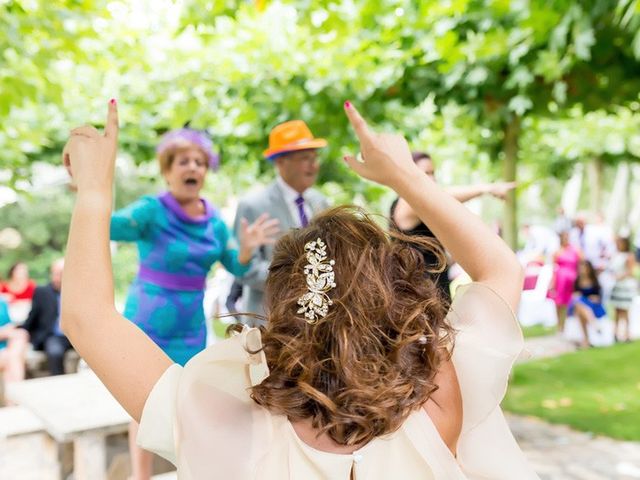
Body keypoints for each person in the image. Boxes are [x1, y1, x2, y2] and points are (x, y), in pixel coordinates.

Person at [61, 100, 538, 479]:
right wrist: (405, 175)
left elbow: (87, 317)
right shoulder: (439, 395)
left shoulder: (227, 419)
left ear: (283, 302)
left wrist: (94, 191)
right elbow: (499, 269)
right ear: (389, 293)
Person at [107, 127, 278, 479]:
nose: (193, 168)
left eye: (200, 163)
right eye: (184, 161)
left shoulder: (214, 223)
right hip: (147, 323)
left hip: (189, 327)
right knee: (142, 403)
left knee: (185, 401)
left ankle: (185, 470)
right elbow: (111, 226)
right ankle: (140, 476)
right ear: (168, 171)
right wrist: (91, 192)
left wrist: (246, 248)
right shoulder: (151, 211)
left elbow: (236, 266)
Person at [233, 120, 329, 322]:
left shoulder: (321, 203)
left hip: (314, 320)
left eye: (315, 157)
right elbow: (244, 269)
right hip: (269, 319)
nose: (314, 165)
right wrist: (294, 278)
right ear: (280, 162)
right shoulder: (254, 206)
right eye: (305, 158)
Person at [390, 151, 516, 301]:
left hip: (436, 290)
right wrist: (486, 189)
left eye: (433, 173)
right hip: (416, 297)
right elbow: (441, 196)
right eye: (425, 173)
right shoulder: (406, 204)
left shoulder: (425, 209)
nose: (431, 178)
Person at [19, 259, 71, 375]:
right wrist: (22, 329)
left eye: (61, 274)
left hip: (76, 335)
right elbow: (33, 316)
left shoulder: (77, 291)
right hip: (54, 336)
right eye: (55, 273)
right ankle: (60, 384)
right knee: (55, 352)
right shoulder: (42, 292)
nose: (57, 278)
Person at [548, 231, 582, 334]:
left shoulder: (576, 250)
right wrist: (552, 283)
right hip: (560, 280)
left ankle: (569, 326)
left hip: (572, 280)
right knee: (558, 303)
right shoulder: (557, 252)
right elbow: (553, 268)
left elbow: (581, 264)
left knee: (570, 303)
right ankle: (560, 326)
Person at [569, 260, 607, 349]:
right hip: (581, 305)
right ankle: (594, 326)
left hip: (592, 305)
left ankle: (586, 340)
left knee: (580, 308)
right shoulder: (577, 280)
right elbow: (575, 294)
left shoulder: (594, 280)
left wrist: (594, 297)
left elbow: (599, 296)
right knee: (579, 303)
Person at [609, 235, 637, 342]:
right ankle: (615, 333)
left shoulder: (629, 255)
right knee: (616, 310)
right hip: (616, 285)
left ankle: (627, 334)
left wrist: (621, 276)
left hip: (625, 286)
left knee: (625, 310)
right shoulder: (616, 255)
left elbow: (631, 271)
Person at [0, 297, 29, 389]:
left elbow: (9, 325)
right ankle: (17, 391)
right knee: (12, 359)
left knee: (21, 335)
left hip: (6, 349)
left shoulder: (3, 303)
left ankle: (14, 394)